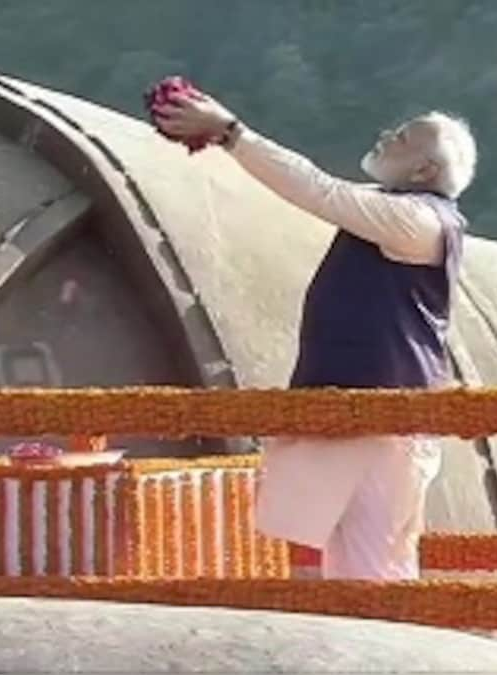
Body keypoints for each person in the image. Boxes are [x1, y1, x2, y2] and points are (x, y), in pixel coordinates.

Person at [156, 92, 477, 581]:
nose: (387, 137)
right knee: (333, 565)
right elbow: (309, 183)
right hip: (351, 414)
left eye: (404, 137)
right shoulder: (393, 209)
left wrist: (230, 133)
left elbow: (318, 190)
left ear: (423, 172)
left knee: (374, 571)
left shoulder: (418, 219)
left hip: (382, 422)